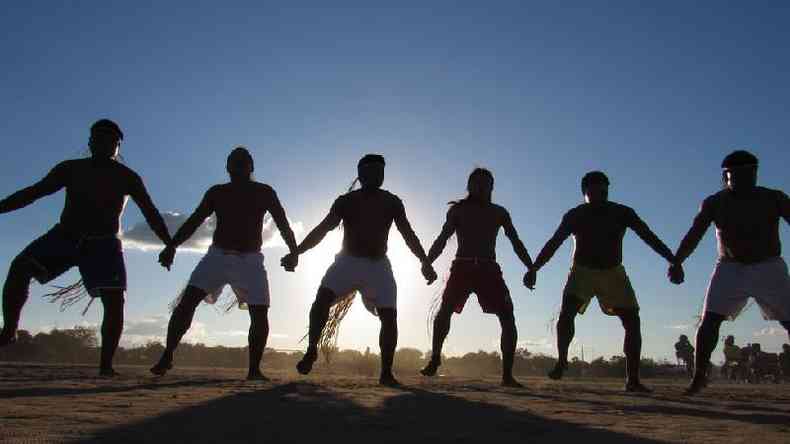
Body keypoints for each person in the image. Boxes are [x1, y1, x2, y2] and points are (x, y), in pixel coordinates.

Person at [0, 119, 172, 376]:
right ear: (90, 142)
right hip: (65, 235)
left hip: (105, 244)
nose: (103, 143)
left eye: (109, 139)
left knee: (115, 301)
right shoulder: (70, 169)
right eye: (97, 138)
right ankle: (9, 330)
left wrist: (168, 244)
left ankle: (106, 365)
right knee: (20, 268)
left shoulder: (127, 177)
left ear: (118, 145)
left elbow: (150, 212)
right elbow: (34, 192)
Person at [281, 154, 436, 387]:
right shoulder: (346, 201)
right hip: (347, 262)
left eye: (381, 172)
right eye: (372, 172)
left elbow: (408, 234)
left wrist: (425, 261)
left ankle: (386, 372)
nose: (377, 176)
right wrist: (297, 253)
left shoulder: (392, 201)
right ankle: (312, 349)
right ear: (361, 175)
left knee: (389, 316)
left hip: (379, 265)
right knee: (321, 299)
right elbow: (323, 229)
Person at [151, 147, 297, 380]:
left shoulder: (264, 192)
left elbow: (282, 222)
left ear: (251, 167)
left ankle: (254, 370)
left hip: (250, 259)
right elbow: (195, 220)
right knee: (187, 303)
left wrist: (293, 251)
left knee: (259, 312)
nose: (239, 167)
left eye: (243, 162)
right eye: (234, 163)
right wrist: (172, 246)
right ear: (227, 167)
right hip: (217, 257)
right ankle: (167, 355)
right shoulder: (217, 192)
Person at [526, 171, 676, 392]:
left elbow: (648, 236)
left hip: (613, 273)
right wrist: (534, 267)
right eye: (594, 192)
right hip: (581, 272)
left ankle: (632, 379)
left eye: (603, 191)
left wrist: (672, 259)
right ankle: (562, 360)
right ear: (584, 193)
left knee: (632, 321)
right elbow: (554, 242)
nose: (599, 195)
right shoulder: (575, 215)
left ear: (608, 191)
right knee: (567, 313)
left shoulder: (623, 212)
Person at [671, 150, 790, 395]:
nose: (746, 178)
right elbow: (694, 234)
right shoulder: (715, 202)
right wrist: (677, 261)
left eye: (750, 173)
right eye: (738, 174)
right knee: (709, 322)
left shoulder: (774, 198)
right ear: (726, 176)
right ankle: (699, 377)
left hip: (769, 266)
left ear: (756, 173)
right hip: (729, 268)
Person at [419, 168, 533, 387]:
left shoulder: (500, 212)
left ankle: (507, 375)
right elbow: (443, 238)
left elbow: (515, 241)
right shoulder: (458, 211)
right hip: (462, 266)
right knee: (444, 312)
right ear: (469, 186)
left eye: (485, 183)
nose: (481, 187)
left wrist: (530, 267)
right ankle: (435, 358)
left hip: (488, 269)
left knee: (508, 317)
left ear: (492, 187)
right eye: (476, 183)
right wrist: (427, 261)